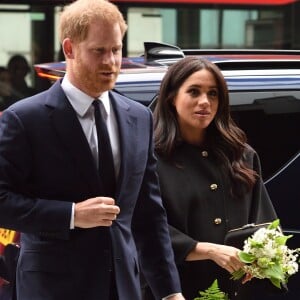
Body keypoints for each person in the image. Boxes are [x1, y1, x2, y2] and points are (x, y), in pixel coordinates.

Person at [0, 1, 185, 300]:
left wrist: (170, 291)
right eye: (99, 51)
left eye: (116, 49)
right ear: (70, 49)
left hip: (123, 288)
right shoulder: (24, 119)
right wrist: (71, 214)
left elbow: (149, 214)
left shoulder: (139, 117)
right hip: (53, 289)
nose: (111, 61)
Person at [143, 56, 278, 300]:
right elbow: (141, 227)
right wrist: (204, 249)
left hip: (237, 290)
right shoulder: (149, 159)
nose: (204, 102)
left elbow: (265, 225)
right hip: (173, 290)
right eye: (193, 92)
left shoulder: (243, 155)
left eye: (213, 93)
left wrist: (262, 261)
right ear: (172, 97)